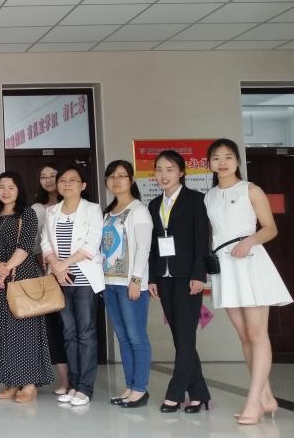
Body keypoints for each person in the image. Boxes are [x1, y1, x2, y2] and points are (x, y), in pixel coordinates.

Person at [205, 139, 291, 424]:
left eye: (228, 157)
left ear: (237, 161)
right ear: (209, 163)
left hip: (250, 262)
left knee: (257, 335)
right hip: (225, 266)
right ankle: (265, 397)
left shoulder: (251, 190)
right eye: (216, 158)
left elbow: (270, 228)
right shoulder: (209, 196)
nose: (222, 162)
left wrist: (249, 241)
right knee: (244, 336)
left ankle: (253, 402)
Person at [147, 150, 211, 414]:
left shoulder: (195, 200)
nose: (163, 175)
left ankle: (174, 394)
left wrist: (199, 275)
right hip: (164, 277)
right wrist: (152, 278)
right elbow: (153, 245)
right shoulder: (153, 204)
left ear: (181, 172)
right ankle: (199, 393)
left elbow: (202, 240)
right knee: (180, 337)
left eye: (170, 169)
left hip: (188, 277)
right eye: (159, 170)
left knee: (185, 337)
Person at [0, 171, 53, 403]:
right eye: (2, 187)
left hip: (21, 276)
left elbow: (25, 246)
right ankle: (12, 382)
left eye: (10, 187)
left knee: (25, 331)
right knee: (2, 331)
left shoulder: (27, 213)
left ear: (19, 190)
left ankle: (30, 384)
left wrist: (6, 268)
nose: (5, 191)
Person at [41, 167, 105, 407]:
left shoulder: (92, 209)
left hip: (84, 280)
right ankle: (74, 385)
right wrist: (56, 266)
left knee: (85, 333)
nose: (66, 184)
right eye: (63, 180)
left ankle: (85, 388)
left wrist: (63, 264)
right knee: (68, 333)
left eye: (72, 180)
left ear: (83, 185)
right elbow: (45, 242)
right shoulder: (52, 211)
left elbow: (92, 244)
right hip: (60, 280)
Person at [101, 160, 153, 409]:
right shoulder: (108, 212)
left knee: (136, 337)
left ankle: (140, 389)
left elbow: (143, 249)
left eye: (122, 176)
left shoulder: (138, 210)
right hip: (109, 283)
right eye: (111, 176)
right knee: (122, 338)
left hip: (130, 285)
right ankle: (130, 386)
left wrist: (136, 280)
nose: (116, 180)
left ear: (131, 180)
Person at [32, 163, 69, 395]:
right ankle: (64, 380)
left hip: (75, 273)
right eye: (43, 176)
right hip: (47, 275)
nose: (48, 180)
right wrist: (46, 262)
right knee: (53, 327)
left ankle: (80, 379)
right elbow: (36, 242)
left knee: (74, 328)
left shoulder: (79, 206)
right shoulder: (37, 208)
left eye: (52, 176)